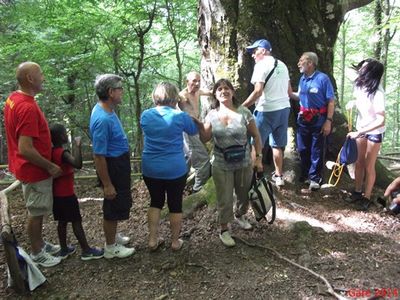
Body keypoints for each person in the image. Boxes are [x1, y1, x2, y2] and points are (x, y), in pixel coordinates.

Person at [3, 62, 62, 267]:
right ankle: (37, 252)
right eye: (40, 74)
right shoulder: (26, 106)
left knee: (37, 209)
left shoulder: (13, 98)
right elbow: (25, 148)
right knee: (36, 212)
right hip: (34, 170)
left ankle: (40, 243)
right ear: (30, 78)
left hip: (25, 167)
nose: (43, 77)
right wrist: (49, 166)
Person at [196, 79, 263, 247]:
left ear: (232, 92)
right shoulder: (211, 114)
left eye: (226, 88)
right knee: (224, 198)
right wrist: (198, 124)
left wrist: (259, 157)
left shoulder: (244, 112)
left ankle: (240, 215)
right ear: (215, 94)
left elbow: (256, 136)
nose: (223, 91)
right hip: (220, 163)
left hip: (244, 162)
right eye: (219, 89)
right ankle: (224, 229)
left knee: (243, 194)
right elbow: (205, 138)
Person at [141, 82, 199, 251]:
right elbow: (194, 130)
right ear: (175, 97)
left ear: (155, 96)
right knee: (175, 204)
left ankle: (152, 240)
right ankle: (175, 242)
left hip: (150, 167)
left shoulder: (145, 115)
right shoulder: (180, 116)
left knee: (155, 202)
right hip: (175, 168)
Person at [90, 74, 135, 259]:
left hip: (119, 163)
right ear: (110, 92)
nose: (122, 92)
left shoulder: (108, 109)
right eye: (119, 89)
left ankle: (113, 236)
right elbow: (99, 156)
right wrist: (107, 184)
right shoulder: (102, 118)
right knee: (112, 202)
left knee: (117, 202)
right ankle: (110, 247)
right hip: (112, 166)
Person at [50, 124, 104, 260]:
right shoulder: (63, 153)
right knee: (76, 221)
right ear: (62, 136)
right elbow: (78, 164)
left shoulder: (51, 152)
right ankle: (86, 250)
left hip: (56, 195)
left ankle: (64, 249)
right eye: (64, 133)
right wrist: (78, 145)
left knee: (62, 222)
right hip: (67, 195)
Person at [243, 39, 291, 186]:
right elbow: (289, 91)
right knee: (277, 145)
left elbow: (258, 92)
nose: (252, 55)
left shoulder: (261, 65)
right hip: (284, 109)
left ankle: (253, 176)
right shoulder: (282, 64)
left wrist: (241, 107)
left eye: (254, 51)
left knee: (256, 142)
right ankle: (279, 176)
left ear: (263, 51)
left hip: (266, 110)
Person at [290, 52, 335, 191]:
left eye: (301, 60)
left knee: (317, 148)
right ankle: (305, 174)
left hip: (319, 118)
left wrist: (328, 121)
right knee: (302, 148)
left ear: (310, 63)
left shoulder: (323, 79)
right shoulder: (303, 78)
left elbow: (331, 101)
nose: (299, 63)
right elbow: (300, 96)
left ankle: (315, 178)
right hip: (303, 118)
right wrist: (289, 92)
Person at [345, 59, 385, 211]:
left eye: (364, 67)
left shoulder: (378, 93)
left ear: (371, 72)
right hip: (361, 128)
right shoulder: (360, 86)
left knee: (369, 165)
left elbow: (381, 120)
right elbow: (359, 99)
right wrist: (353, 103)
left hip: (374, 132)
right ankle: (357, 192)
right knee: (359, 162)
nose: (361, 69)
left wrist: (360, 132)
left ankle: (367, 197)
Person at [178, 72, 212, 192]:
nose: (197, 83)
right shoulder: (182, 96)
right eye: (194, 81)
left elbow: (209, 92)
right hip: (188, 131)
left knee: (187, 159)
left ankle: (179, 186)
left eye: (198, 81)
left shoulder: (198, 91)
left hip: (196, 129)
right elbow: (174, 107)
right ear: (187, 82)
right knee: (202, 159)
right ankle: (198, 189)